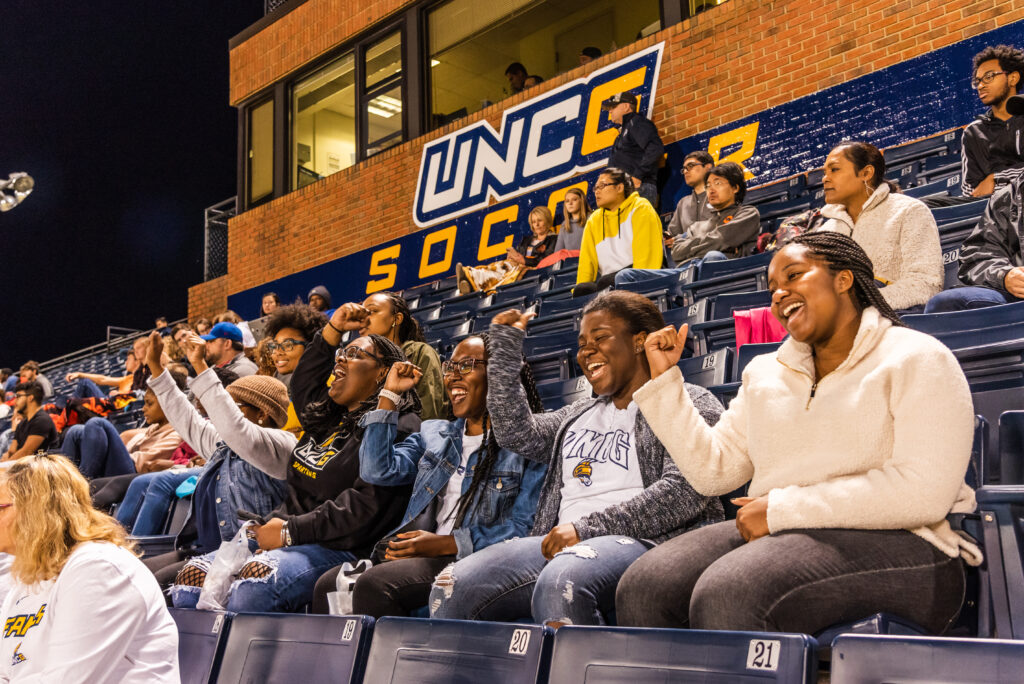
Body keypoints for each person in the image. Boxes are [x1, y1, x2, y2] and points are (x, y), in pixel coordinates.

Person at [615, 232, 981, 634]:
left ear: (843, 280)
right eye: (772, 287)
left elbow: (922, 494)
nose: (778, 294)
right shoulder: (765, 373)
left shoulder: (917, 357)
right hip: (785, 532)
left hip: (912, 543)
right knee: (644, 586)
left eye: (794, 276)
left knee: (732, 591)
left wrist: (782, 509)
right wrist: (667, 382)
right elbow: (712, 472)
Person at [429, 292, 724, 626]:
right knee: (449, 586)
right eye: (582, 344)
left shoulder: (691, 401)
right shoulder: (576, 414)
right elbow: (515, 433)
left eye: (600, 338)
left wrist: (586, 530)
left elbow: (684, 493)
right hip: (561, 542)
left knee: (561, 582)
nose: (587, 352)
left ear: (640, 341)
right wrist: (505, 352)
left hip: (646, 541)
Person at [170, 309, 421, 613]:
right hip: (285, 533)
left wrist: (291, 532)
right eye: (341, 352)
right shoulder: (328, 418)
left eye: (353, 353)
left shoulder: (398, 425)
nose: (340, 359)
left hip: (339, 547)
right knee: (189, 582)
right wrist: (333, 329)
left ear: (383, 372)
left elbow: (365, 506)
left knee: (254, 583)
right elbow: (303, 383)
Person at [314, 333, 547, 616]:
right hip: (423, 554)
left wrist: (446, 544)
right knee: (328, 583)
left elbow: (526, 528)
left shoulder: (530, 442)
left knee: (376, 585)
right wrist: (389, 395)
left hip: (474, 561)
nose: (452, 377)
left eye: (466, 366)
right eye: (450, 367)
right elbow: (377, 470)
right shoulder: (436, 433)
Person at [0, 454, 179, 683]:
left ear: (35, 510)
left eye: (0, 507)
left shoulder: (100, 569)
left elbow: (67, 680)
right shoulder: (26, 578)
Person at [141, 333, 293, 590]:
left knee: (160, 585)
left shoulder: (280, 444)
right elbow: (187, 419)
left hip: (244, 554)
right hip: (204, 551)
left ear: (262, 413)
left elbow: (236, 428)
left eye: (234, 406)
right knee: (138, 574)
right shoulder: (226, 443)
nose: (221, 414)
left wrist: (200, 366)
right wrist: (157, 368)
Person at [813, 141, 943, 311]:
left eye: (834, 169)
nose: (825, 178)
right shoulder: (825, 232)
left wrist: (860, 305)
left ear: (866, 173)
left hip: (895, 321)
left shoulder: (909, 211)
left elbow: (926, 284)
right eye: (824, 172)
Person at [113, 367, 237, 536]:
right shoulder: (203, 422)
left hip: (216, 468)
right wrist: (185, 463)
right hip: (183, 465)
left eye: (202, 395)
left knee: (160, 480)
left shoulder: (230, 424)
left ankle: (139, 546)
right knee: (138, 482)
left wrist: (186, 463)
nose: (196, 400)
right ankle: (116, 541)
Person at [613, 161, 761, 286]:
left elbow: (722, 239)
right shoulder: (697, 226)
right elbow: (677, 252)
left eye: (718, 183)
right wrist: (720, 245)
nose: (711, 190)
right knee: (624, 276)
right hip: (683, 273)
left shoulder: (747, 213)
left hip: (724, 271)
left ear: (735, 188)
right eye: (708, 185)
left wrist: (691, 245)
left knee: (713, 257)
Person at [331, 293, 448, 420]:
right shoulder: (359, 364)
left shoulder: (419, 352)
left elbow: (429, 414)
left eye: (372, 311)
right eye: (362, 314)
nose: (363, 319)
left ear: (396, 319)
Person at [925, 176, 1024, 312]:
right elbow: (978, 255)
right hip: (1019, 297)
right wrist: (1004, 276)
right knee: (946, 303)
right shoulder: (1010, 196)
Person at [61, 372, 184, 478]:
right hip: (126, 461)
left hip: (132, 470)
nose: (143, 409)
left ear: (167, 404)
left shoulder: (176, 433)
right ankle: (61, 480)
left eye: (149, 404)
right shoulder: (156, 427)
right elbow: (128, 437)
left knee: (97, 424)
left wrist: (112, 450)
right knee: (76, 431)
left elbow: (144, 463)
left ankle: (82, 481)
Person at [575, 167, 663, 295]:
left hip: (639, 276)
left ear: (620, 188)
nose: (596, 192)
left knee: (607, 282)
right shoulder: (594, 220)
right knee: (582, 290)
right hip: (609, 284)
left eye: (602, 186)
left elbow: (646, 261)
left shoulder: (640, 207)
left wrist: (639, 284)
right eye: (595, 188)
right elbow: (585, 264)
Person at [961, 45, 1024, 198]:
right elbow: (970, 190)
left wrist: (995, 179)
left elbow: (988, 185)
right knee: (927, 203)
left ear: (1012, 78)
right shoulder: (972, 133)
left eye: (989, 77)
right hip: (993, 210)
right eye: (978, 81)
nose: (981, 86)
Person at [456, 206, 558, 294]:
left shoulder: (553, 239)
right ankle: (469, 279)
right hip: (515, 266)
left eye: (540, 220)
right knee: (498, 266)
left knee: (503, 268)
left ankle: (470, 279)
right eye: (534, 222)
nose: (537, 224)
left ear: (547, 220)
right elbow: (518, 254)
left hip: (531, 269)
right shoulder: (526, 240)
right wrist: (511, 256)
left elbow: (547, 259)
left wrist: (523, 260)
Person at [602, 91, 664, 207]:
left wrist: (638, 176)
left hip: (638, 189)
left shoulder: (636, 122)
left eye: (614, 107)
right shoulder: (622, 133)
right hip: (623, 192)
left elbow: (655, 148)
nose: (610, 111)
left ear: (626, 107)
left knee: (637, 225)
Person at [665, 151, 715, 244]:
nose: (685, 171)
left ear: (708, 167)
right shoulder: (683, 203)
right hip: (688, 255)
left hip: (714, 253)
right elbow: (672, 234)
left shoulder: (720, 195)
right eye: (683, 169)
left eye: (691, 166)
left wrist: (683, 237)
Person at [1, 382, 57, 461]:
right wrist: (4, 458)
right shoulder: (22, 424)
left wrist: (4, 467)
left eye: (18, 396)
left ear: (30, 398)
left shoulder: (41, 420)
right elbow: (11, 451)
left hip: (43, 467)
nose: (15, 401)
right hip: (27, 466)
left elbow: (25, 453)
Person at [66, 351, 137, 399]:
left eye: (129, 359)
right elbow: (103, 379)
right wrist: (79, 374)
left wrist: (120, 395)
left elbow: (139, 396)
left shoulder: (142, 379)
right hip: (109, 402)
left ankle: (67, 412)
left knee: (85, 383)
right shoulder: (128, 378)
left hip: (113, 406)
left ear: (137, 361)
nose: (126, 362)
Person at [553, 187, 592, 253]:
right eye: (567, 201)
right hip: (572, 263)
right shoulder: (564, 225)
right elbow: (558, 253)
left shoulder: (592, 218)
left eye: (574, 199)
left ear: (582, 201)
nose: (570, 203)